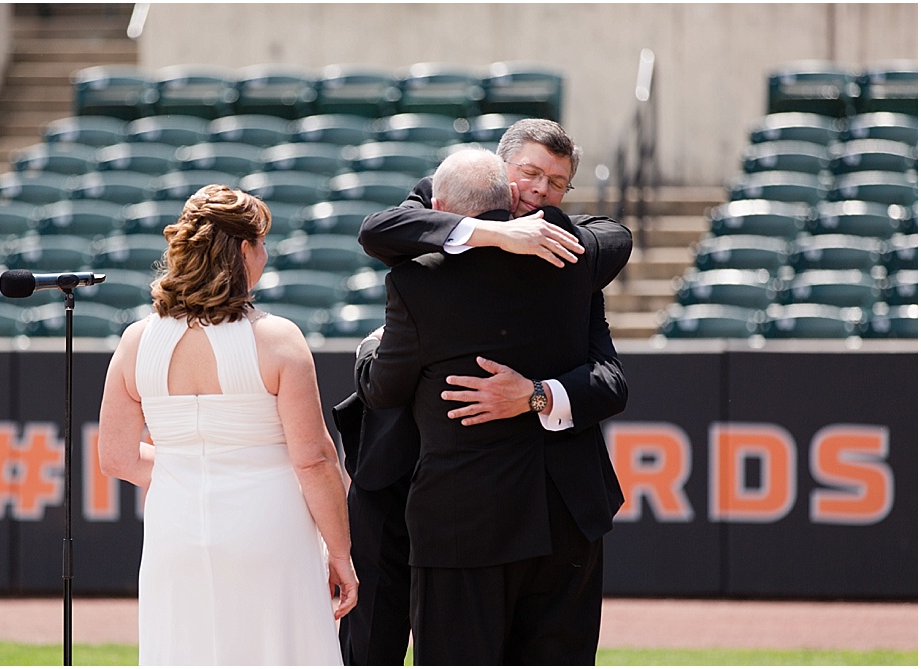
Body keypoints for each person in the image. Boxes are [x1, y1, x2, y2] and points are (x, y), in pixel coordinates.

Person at [338, 118, 630, 665]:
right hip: (401, 479)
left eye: (557, 182)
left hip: (518, 504)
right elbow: (378, 229)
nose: (541, 190)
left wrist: (538, 395)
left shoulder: (569, 259)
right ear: (500, 170)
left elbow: (614, 239)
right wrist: (492, 232)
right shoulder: (434, 209)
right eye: (530, 174)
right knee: (371, 645)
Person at [97, 184, 358, 665]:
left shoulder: (136, 342)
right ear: (242, 250)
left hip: (173, 535)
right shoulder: (278, 339)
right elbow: (315, 458)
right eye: (260, 243)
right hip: (270, 531)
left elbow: (117, 457)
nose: (264, 254)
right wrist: (340, 552)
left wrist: (189, 468)